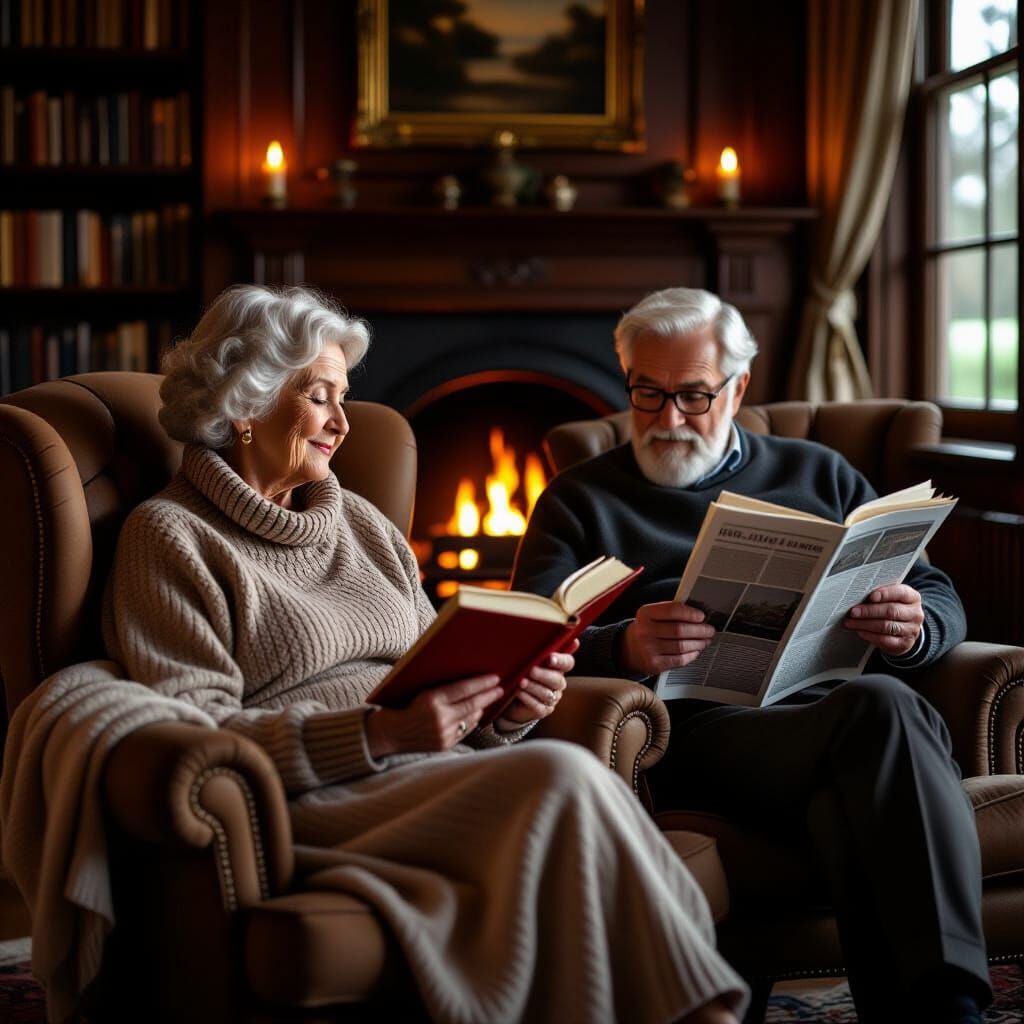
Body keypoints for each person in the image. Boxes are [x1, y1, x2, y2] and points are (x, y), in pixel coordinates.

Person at [98, 284, 747, 1024]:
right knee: (566, 777)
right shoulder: (170, 537)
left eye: (344, 397)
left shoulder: (363, 525)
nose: (343, 423)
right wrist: (379, 734)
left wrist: (507, 705)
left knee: (564, 778)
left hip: (427, 769)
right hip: (310, 796)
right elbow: (196, 735)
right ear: (246, 403)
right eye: (321, 397)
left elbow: (436, 677)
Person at [511, 287, 991, 1024]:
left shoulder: (819, 473)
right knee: (888, 710)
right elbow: (531, 646)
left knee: (850, 788)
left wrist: (916, 623)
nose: (669, 418)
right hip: (691, 734)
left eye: (694, 395)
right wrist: (625, 644)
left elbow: (936, 591)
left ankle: (922, 1012)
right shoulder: (579, 501)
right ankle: (954, 1005)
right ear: (628, 383)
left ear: (738, 388)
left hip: (829, 719)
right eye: (648, 393)